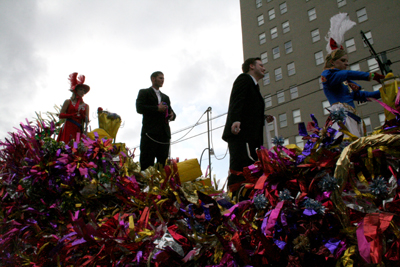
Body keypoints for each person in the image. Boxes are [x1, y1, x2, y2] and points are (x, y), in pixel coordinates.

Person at [322, 13, 384, 137]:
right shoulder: (329, 76)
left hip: (353, 118)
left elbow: (364, 95)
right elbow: (347, 73)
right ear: (333, 62)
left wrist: (387, 89)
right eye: (343, 61)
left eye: (347, 61)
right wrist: (370, 76)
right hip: (341, 121)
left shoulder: (346, 82)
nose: (347, 63)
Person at [222, 58, 273, 194]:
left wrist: (263, 117)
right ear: (251, 66)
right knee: (240, 168)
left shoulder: (255, 86)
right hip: (241, 134)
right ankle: (234, 199)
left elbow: (249, 108)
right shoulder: (244, 79)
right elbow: (237, 100)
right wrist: (235, 120)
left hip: (250, 136)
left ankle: (247, 199)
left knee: (250, 167)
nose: (264, 68)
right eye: (261, 65)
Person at [136, 71, 176, 171]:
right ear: (153, 79)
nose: (163, 80)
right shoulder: (144, 92)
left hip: (164, 134)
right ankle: (146, 185)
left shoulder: (166, 97)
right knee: (147, 162)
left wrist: (172, 115)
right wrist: (156, 108)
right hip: (149, 133)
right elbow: (139, 108)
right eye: (160, 78)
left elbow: (171, 111)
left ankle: (161, 185)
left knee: (162, 163)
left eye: (163, 78)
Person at [57, 73, 90, 143]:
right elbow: (60, 115)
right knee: (65, 145)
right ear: (76, 90)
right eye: (81, 89)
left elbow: (87, 120)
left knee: (75, 147)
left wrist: (83, 116)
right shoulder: (68, 102)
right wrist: (70, 115)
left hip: (78, 130)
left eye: (84, 91)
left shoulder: (86, 106)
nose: (82, 92)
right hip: (68, 128)